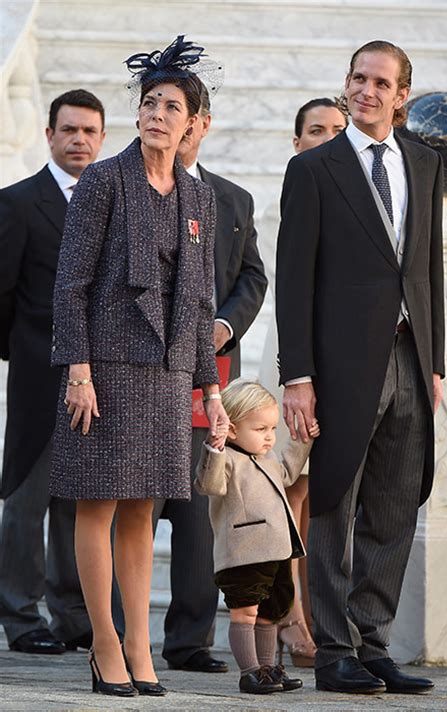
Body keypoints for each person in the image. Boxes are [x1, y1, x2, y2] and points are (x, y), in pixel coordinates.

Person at [49, 36, 229, 697]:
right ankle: (103, 644)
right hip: (102, 372)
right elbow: (70, 283)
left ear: (191, 124)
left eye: (171, 105)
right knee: (96, 507)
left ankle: (136, 645)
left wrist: (208, 388)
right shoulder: (102, 180)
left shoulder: (197, 197)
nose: (156, 113)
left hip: (166, 374)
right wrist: (78, 369)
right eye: (149, 102)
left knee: (140, 512)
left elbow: (202, 297)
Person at [276, 40, 444, 695]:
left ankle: (373, 645)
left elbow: (425, 271)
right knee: (332, 502)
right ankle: (332, 650)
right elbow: (295, 280)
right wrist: (298, 377)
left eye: (380, 83)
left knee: (395, 504)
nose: (365, 91)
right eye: (357, 78)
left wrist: (432, 360)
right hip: (340, 367)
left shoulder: (425, 165)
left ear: (402, 95)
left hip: (410, 356)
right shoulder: (315, 170)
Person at [158, 83, 268, 674]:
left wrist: (224, 326)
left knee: (201, 517)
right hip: (143, 375)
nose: (182, 127)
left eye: (190, 118)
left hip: (212, 380)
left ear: (202, 125)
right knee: (136, 506)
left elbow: (253, 277)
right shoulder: (123, 185)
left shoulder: (233, 199)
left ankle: (189, 641)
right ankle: (116, 636)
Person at [0, 89, 105, 654]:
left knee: (79, 501)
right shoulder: (17, 203)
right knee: (26, 498)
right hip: (40, 378)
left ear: (103, 139)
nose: (79, 140)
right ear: (48, 135)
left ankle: (73, 614)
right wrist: (24, 351)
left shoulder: (113, 204)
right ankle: (20, 616)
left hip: (100, 381)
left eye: (89, 131)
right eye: (69, 130)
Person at [259, 98, 347, 667]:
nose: (326, 138)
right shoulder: (285, 198)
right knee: (285, 496)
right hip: (292, 362)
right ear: (297, 143)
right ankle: (288, 617)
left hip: (346, 364)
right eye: (315, 130)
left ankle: (323, 618)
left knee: (322, 499)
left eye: (336, 130)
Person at [194, 379, 319, 694]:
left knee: (271, 612)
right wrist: (215, 447)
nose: (269, 437)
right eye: (261, 429)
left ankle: (267, 669)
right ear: (233, 429)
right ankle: (249, 671)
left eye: (273, 429)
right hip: (244, 552)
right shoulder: (227, 461)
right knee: (246, 611)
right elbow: (209, 485)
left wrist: (302, 441)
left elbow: (290, 472)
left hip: (277, 551)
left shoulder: (269, 458)